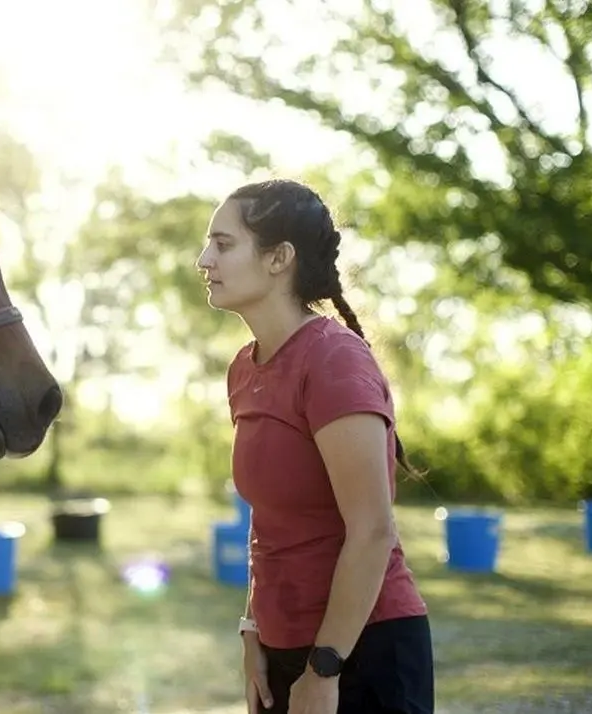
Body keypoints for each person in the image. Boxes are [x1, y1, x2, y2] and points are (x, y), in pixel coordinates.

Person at [196, 179, 434, 714]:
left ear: (279, 257)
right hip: (282, 649)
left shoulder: (333, 361)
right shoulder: (245, 368)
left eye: (223, 244)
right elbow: (269, 518)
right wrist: (253, 630)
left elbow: (372, 530)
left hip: (361, 650)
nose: (203, 259)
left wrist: (324, 670)